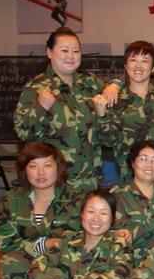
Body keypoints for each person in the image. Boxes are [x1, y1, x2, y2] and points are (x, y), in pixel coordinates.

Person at [14, 27, 119, 192]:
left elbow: (111, 139)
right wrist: (41, 108)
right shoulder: (36, 88)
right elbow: (23, 132)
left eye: (76, 51)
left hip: (88, 183)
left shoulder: (91, 85)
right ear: (49, 52)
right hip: (52, 185)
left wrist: (115, 86)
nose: (71, 56)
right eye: (64, 50)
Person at [0, 143, 81, 279]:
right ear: (24, 170)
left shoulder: (76, 199)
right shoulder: (12, 199)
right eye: (33, 166)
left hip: (64, 261)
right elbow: (6, 241)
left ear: (58, 168)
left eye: (47, 165)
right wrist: (41, 245)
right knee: (10, 261)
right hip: (30, 257)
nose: (40, 173)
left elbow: (85, 237)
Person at [108, 40, 154, 188]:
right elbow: (107, 139)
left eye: (144, 61)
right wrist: (114, 84)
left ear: (153, 68)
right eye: (133, 60)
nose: (138, 66)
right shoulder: (114, 99)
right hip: (130, 175)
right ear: (126, 66)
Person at [110, 140, 154, 261]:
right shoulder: (118, 196)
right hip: (130, 265)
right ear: (133, 163)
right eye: (143, 159)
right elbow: (123, 238)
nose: (149, 165)